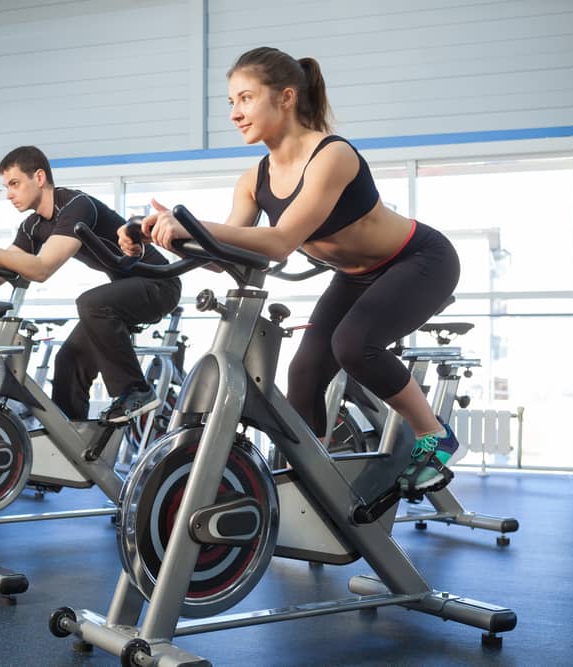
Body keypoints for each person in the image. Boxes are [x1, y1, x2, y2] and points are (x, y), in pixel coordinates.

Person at [119, 46, 464, 492]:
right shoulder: (254, 179)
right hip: (355, 275)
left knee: (354, 344)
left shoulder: (331, 156)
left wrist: (188, 223)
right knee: (303, 372)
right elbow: (227, 255)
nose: (235, 114)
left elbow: (280, 242)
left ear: (285, 98)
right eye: (231, 103)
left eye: (245, 98)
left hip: (419, 259)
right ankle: (316, 476)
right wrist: (158, 238)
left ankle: (433, 435)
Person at [0, 145, 181, 423]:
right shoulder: (33, 226)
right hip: (126, 291)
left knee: (91, 302)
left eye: (14, 183)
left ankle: (136, 390)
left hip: (160, 283)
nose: (10, 194)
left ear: (39, 178)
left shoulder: (77, 206)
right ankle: (73, 442)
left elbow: (42, 269)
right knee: (69, 359)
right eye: (6, 187)